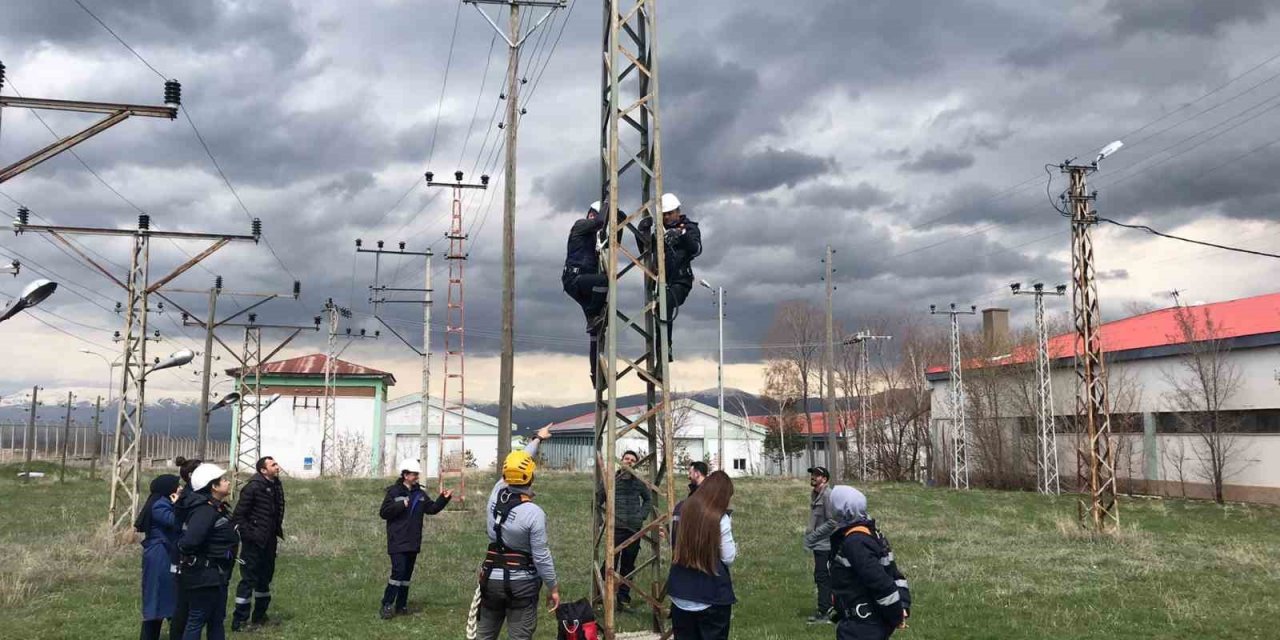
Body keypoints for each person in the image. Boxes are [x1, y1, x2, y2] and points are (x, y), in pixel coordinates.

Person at [476, 425, 560, 640]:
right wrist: (553, 587)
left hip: (491, 578)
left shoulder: (497, 492)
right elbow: (541, 556)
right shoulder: (533, 513)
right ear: (531, 477)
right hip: (522, 583)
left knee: (484, 635)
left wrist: (537, 440)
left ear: (506, 474)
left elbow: (518, 462)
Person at [825, 486, 911, 640]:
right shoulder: (871, 533)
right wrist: (902, 605)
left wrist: (896, 615)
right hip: (870, 624)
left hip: (861, 628)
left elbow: (881, 582)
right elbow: (895, 575)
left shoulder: (855, 541)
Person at [378, 458, 452, 619]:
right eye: (413, 474)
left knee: (406, 576)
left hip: (413, 541)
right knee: (398, 572)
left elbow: (431, 509)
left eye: (417, 474)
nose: (416, 477)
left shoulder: (420, 494)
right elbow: (384, 513)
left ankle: (401, 605)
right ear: (405, 475)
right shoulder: (394, 492)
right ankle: (386, 604)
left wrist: (443, 499)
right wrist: (400, 505)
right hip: (397, 540)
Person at [562, 200, 626, 386]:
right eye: (594, 214)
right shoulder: (580, 226)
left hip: (583, 283)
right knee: (604, 281)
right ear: (590, 214)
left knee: (596, 333)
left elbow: (612, 245)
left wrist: (618, 224)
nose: (594, 218)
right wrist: (608, 202)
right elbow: (599, 223)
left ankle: (596, 376)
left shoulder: (594, 238)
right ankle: (593, 316)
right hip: (575, 280)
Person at [667, 470, 736, 640]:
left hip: (680, 593)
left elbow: (673, 543)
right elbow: (728, 557)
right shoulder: (720, 517)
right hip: (710, 595)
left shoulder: (680, 509)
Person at [177, 464, 240, 640]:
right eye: (224, 480)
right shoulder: (204, 511)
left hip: (216, 575)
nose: (228, 482)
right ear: (213, 486)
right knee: (197, 619)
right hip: (203, 576)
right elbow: (190, 542)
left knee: (216, 620)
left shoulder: (216, 508)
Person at [637, 193, 701, 362]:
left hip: (681, 281)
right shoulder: (660, 231)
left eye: (669, 213)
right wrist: (641, 234)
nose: (666, 217)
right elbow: (646, 251)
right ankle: (660, 357)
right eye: (663, 215)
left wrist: (681, 235)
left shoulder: (689, 227)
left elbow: (696, 249)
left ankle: (666, 351)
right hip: (661, 283)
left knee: (664, 306)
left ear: (677, 211)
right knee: (660, 313)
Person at [231, 456, 286, 631]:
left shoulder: (276, 484)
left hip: (269, 541)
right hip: (253, 543)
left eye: (276, 463)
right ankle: (240, 621)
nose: (277, 467)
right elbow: (238, 516)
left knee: (264, 579)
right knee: (248, 580)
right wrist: (251, 535)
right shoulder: (253, 487)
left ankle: (260, 616)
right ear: (263, 470)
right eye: (273, 465)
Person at [596, 449, 652, 606]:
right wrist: (601, 518)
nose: (629, 462)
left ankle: (623, 596)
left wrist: (641, 515)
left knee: (629, 564)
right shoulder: (611, 479)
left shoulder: (639, 481)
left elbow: (648, 500)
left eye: (633, 460)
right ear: (621, 460)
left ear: (637, 464)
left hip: (633, 529)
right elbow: (597, 501)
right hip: (616, 527)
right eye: (626, 459)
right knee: (609, 562)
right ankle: (601, 593)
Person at [138, 474, 183, 640]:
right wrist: (178, 505)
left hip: (165, 554)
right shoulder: (159, 505)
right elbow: (174, 522)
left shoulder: (163, 503)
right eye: (177, 485)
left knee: (169, 599)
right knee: (157, 601)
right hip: (159, 556)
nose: (180, 488)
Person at [171, 457, 204, 640]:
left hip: (188, 555)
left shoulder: (192, 495)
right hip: (184, 556)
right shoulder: (190, 497)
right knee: (183, 605)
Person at [803, 466, 835, 624]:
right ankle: (828, 609)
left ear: (825, 479)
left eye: (817, 475)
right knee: (822, 577)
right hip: (819, 544)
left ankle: (825, 612)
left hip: (825, 544)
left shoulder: (827, 495)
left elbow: (833, 521)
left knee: (822, 577)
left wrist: (813, 536)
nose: (813, 477)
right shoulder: (816, 494)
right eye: (813, 474)